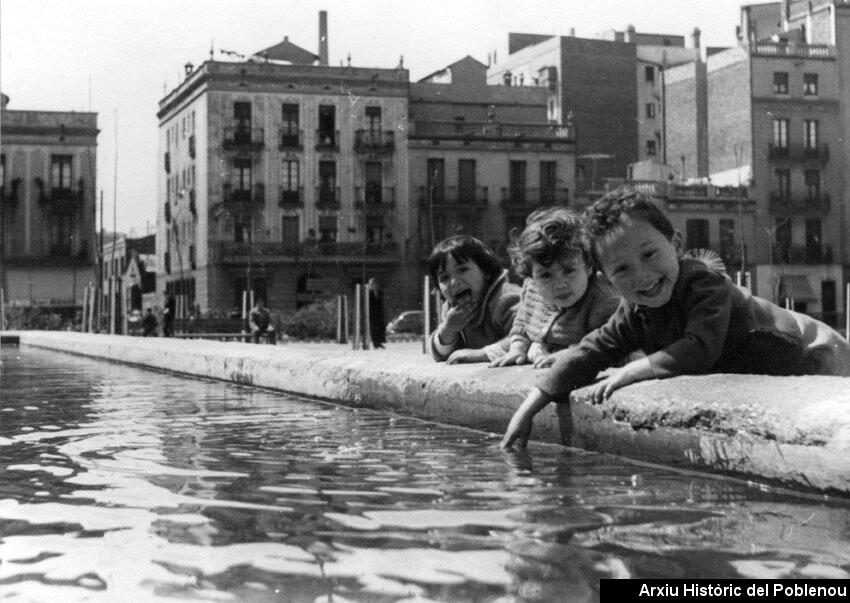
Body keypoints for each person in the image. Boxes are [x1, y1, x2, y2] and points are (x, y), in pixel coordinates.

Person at [502, 187, 850, 449]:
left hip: (817, 350)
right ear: (606, 278)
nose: (642, 275)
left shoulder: (704, 283)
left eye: (650, 254)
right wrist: (530, 407)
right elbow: (593, 350)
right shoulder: (633, 310)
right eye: (622, 269)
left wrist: (631, 371)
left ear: (677, 244)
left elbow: (700, 347)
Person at [490, 207, 619, 369]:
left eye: (569, 271)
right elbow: (523, 322)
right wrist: (518, 347)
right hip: (540, 356)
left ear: (589, 266)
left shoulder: (603, 300)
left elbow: (614, 343)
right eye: (546, 275)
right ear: (531, 276)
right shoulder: (532, 290)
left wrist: (574, 354)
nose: (559, 284)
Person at [428, 234, 521, 363]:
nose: (454, 282)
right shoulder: (451, 311)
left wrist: (483, 354)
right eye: (444, 278)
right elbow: (442, 355)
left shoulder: (505, 298)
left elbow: (526, 335)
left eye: (462, 270)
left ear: (485, 271)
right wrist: (447, 330)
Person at [368, 277, 386, 349]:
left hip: (379, 313)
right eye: (372, 284)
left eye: (374, 284)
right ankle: (376, 343)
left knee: (380, 328)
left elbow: (381, 303)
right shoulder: (369, 292)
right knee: (374, 329)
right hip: (372, 313)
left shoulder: (380, 292)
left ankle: (379, 342)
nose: (373, 285)